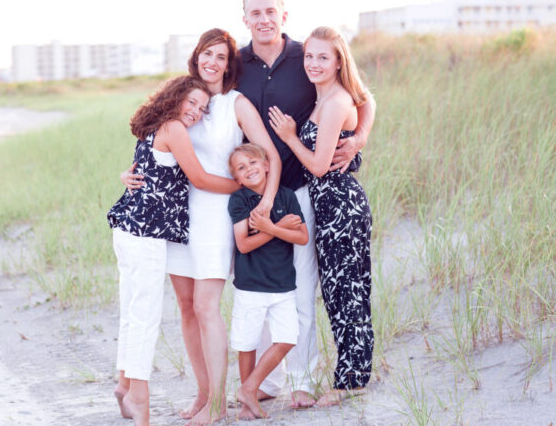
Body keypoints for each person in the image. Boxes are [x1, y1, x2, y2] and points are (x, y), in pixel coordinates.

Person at [121, 28, 281, 425]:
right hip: (177, 215)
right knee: (187, 308)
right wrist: (130, 175)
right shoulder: (186, 101)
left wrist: (262, 201)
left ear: (230, 64)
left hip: (215, 215)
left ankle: (217, 407)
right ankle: (203, 393)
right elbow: (156, 149)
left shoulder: (235, 104)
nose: (213, 62)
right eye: (207, 54)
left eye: (221, 57)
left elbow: (271, 157)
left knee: (208, 308)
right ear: (197, 57)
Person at [237, 0, 376, 407]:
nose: (263, 18)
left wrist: (360, 139)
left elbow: (364, 99)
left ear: (283, 15)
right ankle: (270, 381)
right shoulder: (235, 63)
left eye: (270, 11)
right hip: (261, 197)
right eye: (254, 12)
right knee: (262, 291)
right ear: (244, 18)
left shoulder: (306, 55)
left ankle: (306, 379)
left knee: (310, 290)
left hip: (306, 193)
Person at [107, 75, 240, 426]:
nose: (196, 111)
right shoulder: (175, 130)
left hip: (127, 230)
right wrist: (244, 186)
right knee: (145, 317)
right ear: (175, 98)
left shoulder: (153, 126)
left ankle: (124, 385)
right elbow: (199, 179)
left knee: (131, 310)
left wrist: (125, 176)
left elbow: (146, 172)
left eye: (202, 107)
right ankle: (140, 403)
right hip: (145, 234)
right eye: (191, 103)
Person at [268, 26, 374, 406]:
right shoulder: (327, 96)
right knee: (337, 292)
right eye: (309, 56)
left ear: (338, 61)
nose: (313, 63)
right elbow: (369, 100)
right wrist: (361, 135)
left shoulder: (334, 103)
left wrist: (291, 136)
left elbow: (317, 166)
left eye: (322, 57)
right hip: (327, 206)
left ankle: (352, 382)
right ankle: (352, 374)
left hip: (340, 206)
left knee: (348, 293)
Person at [226, 143, 309, 420]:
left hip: (283, 284)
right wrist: (280, 228)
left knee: (287, 339)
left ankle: (248, 387)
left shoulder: (286, 196)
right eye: (241, 168)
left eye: (252, 163)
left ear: (267, 166)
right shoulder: (239, 200)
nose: (248, 169)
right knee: (246, 342)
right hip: (250, 285)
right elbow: (244, 244)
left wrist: (271, 227)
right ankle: (248, 403)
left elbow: (303, 237)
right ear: (237, 179)